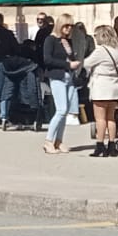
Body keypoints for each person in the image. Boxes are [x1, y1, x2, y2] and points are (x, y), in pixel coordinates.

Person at [85, 23, 118, 150]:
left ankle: (100, 145)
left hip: (101, 87)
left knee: (100, 119)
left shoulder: (101, 50)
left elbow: (87, 63)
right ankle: (112, 144)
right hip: (114, 86)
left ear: (102, 35)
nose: (95, 38)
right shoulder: (117, 49)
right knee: (111, 118)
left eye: (96, 35)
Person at [40, 19, 78, 154]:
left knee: (65, 111)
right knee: (61, 109)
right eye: (66, 26)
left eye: (71, 26)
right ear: (60, 25)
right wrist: (68, 65)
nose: (68, 29)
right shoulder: (50, 40)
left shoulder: (68, 41)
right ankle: (48, 140)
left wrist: (74, 63)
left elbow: (70, 56)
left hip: (69, 77)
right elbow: (47, 59)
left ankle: (59, 140)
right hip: (57, 77)